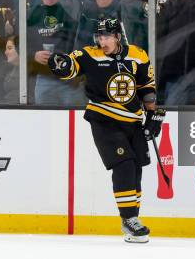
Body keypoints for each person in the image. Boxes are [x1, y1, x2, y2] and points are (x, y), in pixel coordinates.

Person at [47, 18, 165, 243]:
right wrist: (61, 64)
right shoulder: (90, 54)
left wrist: (153, 115)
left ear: (117, 37)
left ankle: (131, 220)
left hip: (133, 121)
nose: (102, 41)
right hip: (104, 119)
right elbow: (72, 66)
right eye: (99, 36)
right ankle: (130, 219)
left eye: (106, 36)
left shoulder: (138, 55)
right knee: (124, 164)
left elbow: (147, 87)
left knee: (136, 169)